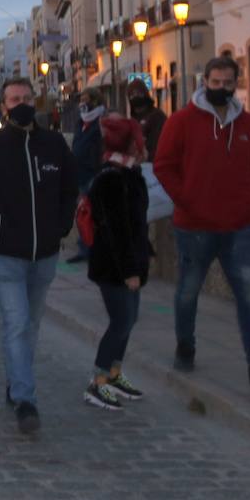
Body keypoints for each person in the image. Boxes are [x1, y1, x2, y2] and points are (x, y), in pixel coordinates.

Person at [0, 78, 79, 434]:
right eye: (15, 98)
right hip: (5, 253)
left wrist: (61, 225)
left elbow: (70, 189)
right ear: (3, 106)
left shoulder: (54, 144)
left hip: (44, 253)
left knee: (32, 324)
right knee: (16, 323)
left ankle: (16, 381)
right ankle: (26, 400)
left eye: (27, 97)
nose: (22, 103)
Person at [153, 56, 250, 380]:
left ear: (235, 83)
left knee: (248, 295)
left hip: (240, 226)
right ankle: (185, 346)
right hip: (194, 226)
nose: (221, 88)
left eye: (228, 83)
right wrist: (187, 199)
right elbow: (164, 165)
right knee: (188, 292)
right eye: (216, 83)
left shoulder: (247, 124)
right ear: (204, 82)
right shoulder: (181, 121)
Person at [83, 115, 151, 410]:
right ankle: (97, 382)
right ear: (130, 144)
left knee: (129, 320)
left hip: (130, 261)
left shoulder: (130, 173)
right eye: (140, 139)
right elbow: (116, 231)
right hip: (114, 267)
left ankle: (114, 373)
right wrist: (130, 271)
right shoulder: (111, 178)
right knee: (121, 321)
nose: (145, 143)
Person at [67, 87, 107, 263]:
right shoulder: (80, 122)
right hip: (79, 174)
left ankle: (93, 250)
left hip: (94, 173)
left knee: (94, 214)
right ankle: (84, 248)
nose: (82, 103)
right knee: (83, 214)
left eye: (86, 99)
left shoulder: (102, 121)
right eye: (81, 99)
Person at [126, 79, 167, 160]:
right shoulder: (132, 119)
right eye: (132, 94)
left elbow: (158, 144)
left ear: (145, 94)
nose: (135, 96)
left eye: (139, 93)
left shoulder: (157, 116)